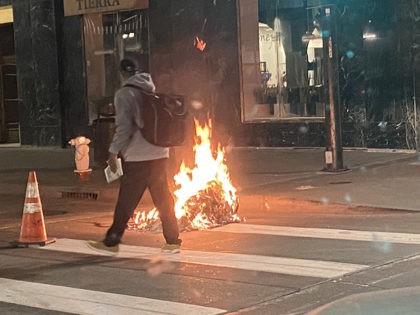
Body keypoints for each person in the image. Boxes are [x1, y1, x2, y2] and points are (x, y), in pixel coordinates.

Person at [87, 54, 182, 255]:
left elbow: (124, 128)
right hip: (160, 153)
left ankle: (111, 242)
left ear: (122, 73)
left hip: (139, 157)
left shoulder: (124, 94)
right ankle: (173, 241)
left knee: (126, 201)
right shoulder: (151, 90)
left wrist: (113, 152)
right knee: (163, 198)